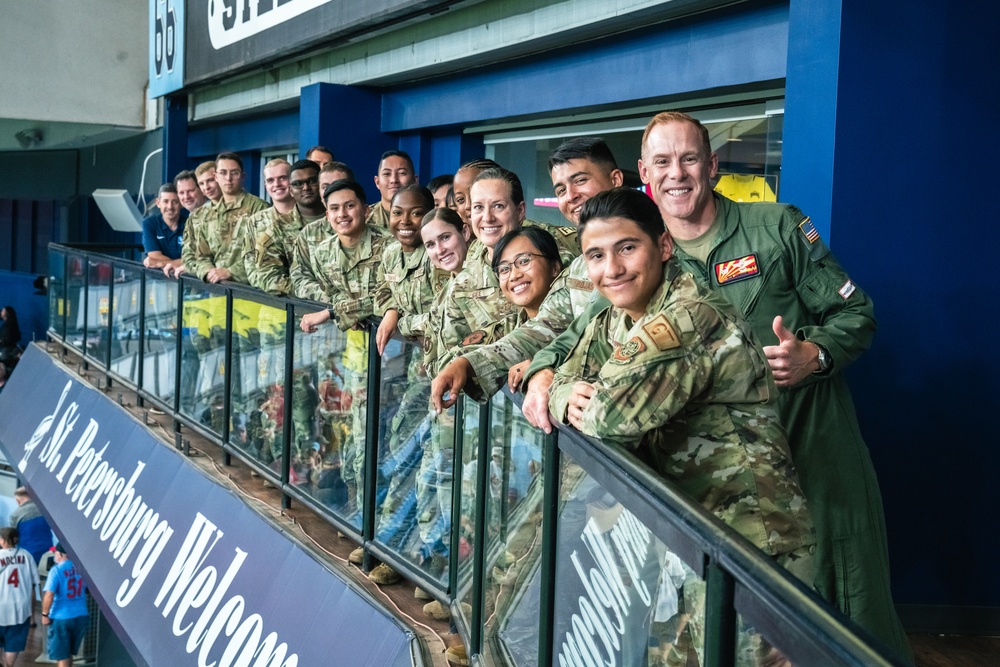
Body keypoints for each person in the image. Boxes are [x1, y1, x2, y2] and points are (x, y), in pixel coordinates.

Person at [523, 111, 911, 661]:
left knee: (849, 610)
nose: (676, 173)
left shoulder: (777, 228)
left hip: (812, 450)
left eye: (688, 159)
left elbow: (857, 314)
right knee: (737, 633)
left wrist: (815, 355)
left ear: (712, 166)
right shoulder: (635, 248)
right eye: (662, 162)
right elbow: (570, 342)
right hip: (713, 492)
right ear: (643, 173)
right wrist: (551, 386)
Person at [430, 138, 623, 406]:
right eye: (561, 189)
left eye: (580, 181)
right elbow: (546, 327)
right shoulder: (581, 266)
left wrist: (551, 372)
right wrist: (469, 363)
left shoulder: (568, 252)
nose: (571, 195)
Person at [179, 152, 268, 284]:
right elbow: (199, 255)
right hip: (216, 291)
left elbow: (265, 255)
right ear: (216, 176)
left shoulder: (259, 208)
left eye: (234, 173)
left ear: (243, 176)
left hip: (250, 291)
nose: (228, 178)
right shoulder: (208, 214)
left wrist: (230, 272)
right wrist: (209, 271)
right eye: (223, 173)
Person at [244, 159, 327, 295]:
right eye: (271, 180)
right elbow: (261, 274)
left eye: (282, 178)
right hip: (285, 305)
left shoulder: (336, 217)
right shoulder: (268, 226)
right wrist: (315, 293)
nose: (277, 184)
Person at [41, 543, 88, 667]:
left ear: (60, 554)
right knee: (69, 653)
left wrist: (45, 614)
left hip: (61, 617)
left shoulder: (56, 570)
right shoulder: (81, 568)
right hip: (81, 615)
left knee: (62, 655)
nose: (54, 555)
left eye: (55, 553)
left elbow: (49, 594)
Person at [0, 528, 38, 667]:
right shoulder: (27, 555)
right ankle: (8, 665)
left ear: (3, 540)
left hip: (1, 606)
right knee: (13, 643)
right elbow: (35, 584)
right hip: (21, 608)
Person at [141, 183, 188, 270]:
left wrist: (159, 263)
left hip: (184, 278)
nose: (170, 207)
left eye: (175, 202)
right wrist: (180, 263)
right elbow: (154, 255)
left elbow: (194, 260)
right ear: (158, 203)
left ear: (181, 204)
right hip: (157, 279)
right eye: (166, 201)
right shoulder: (149, 223)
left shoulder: (190, 224)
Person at [367, 150, 417, 229]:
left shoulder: (427, 217)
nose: (394, 180)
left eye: (402, 173)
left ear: (415, 181)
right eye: (387, 174)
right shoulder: (364, 218)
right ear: (377, 182)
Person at [9, 488, 52, 564]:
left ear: (18, 501)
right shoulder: (44, 509)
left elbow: (12, 538)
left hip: (27, 555)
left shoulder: (15, 515)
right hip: (48, 551)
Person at [0, 307, 20, 375]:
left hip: (6, 352)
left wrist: (1, 341)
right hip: (9, 351)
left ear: (7, 313)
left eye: (3, 310)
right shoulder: (12, 324)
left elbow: (6, 339)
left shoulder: (7, 326)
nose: (1, 311)